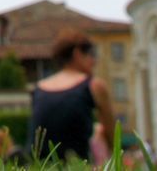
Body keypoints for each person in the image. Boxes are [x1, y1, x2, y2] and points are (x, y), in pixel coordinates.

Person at [28, 29, 117, 162]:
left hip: (37, 164)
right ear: (77, 54)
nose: (94, 61)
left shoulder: (38, 88)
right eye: (90, 54)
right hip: (77, 163)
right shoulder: (93, 85)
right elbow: (114, 136)